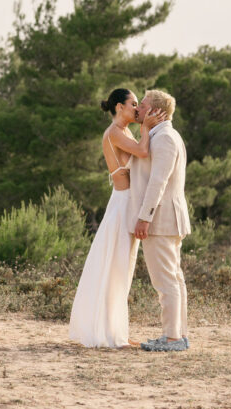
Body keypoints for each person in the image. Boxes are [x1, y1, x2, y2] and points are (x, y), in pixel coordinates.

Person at [69, 88, 164, 348]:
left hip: (126, 202)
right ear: (120, 107)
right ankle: (110, 334)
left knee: (123, 268)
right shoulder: (114, 133)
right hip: (122, 204)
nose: (137, 109)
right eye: (133, 104)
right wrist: (147, 128)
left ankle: (116, 330)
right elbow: (143, 153)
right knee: (117, 266)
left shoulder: (125, 132)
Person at [129, 90, 191, 352]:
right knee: (173, 278)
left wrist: (144, 217)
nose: (138, 111)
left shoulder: (164, 138)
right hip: (167, 219)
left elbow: (158, 181)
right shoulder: (164, 135)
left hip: (162, 220)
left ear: (155, 112)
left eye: (142, 106)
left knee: (166, 280)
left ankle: (172, 338)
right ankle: (177, 335)